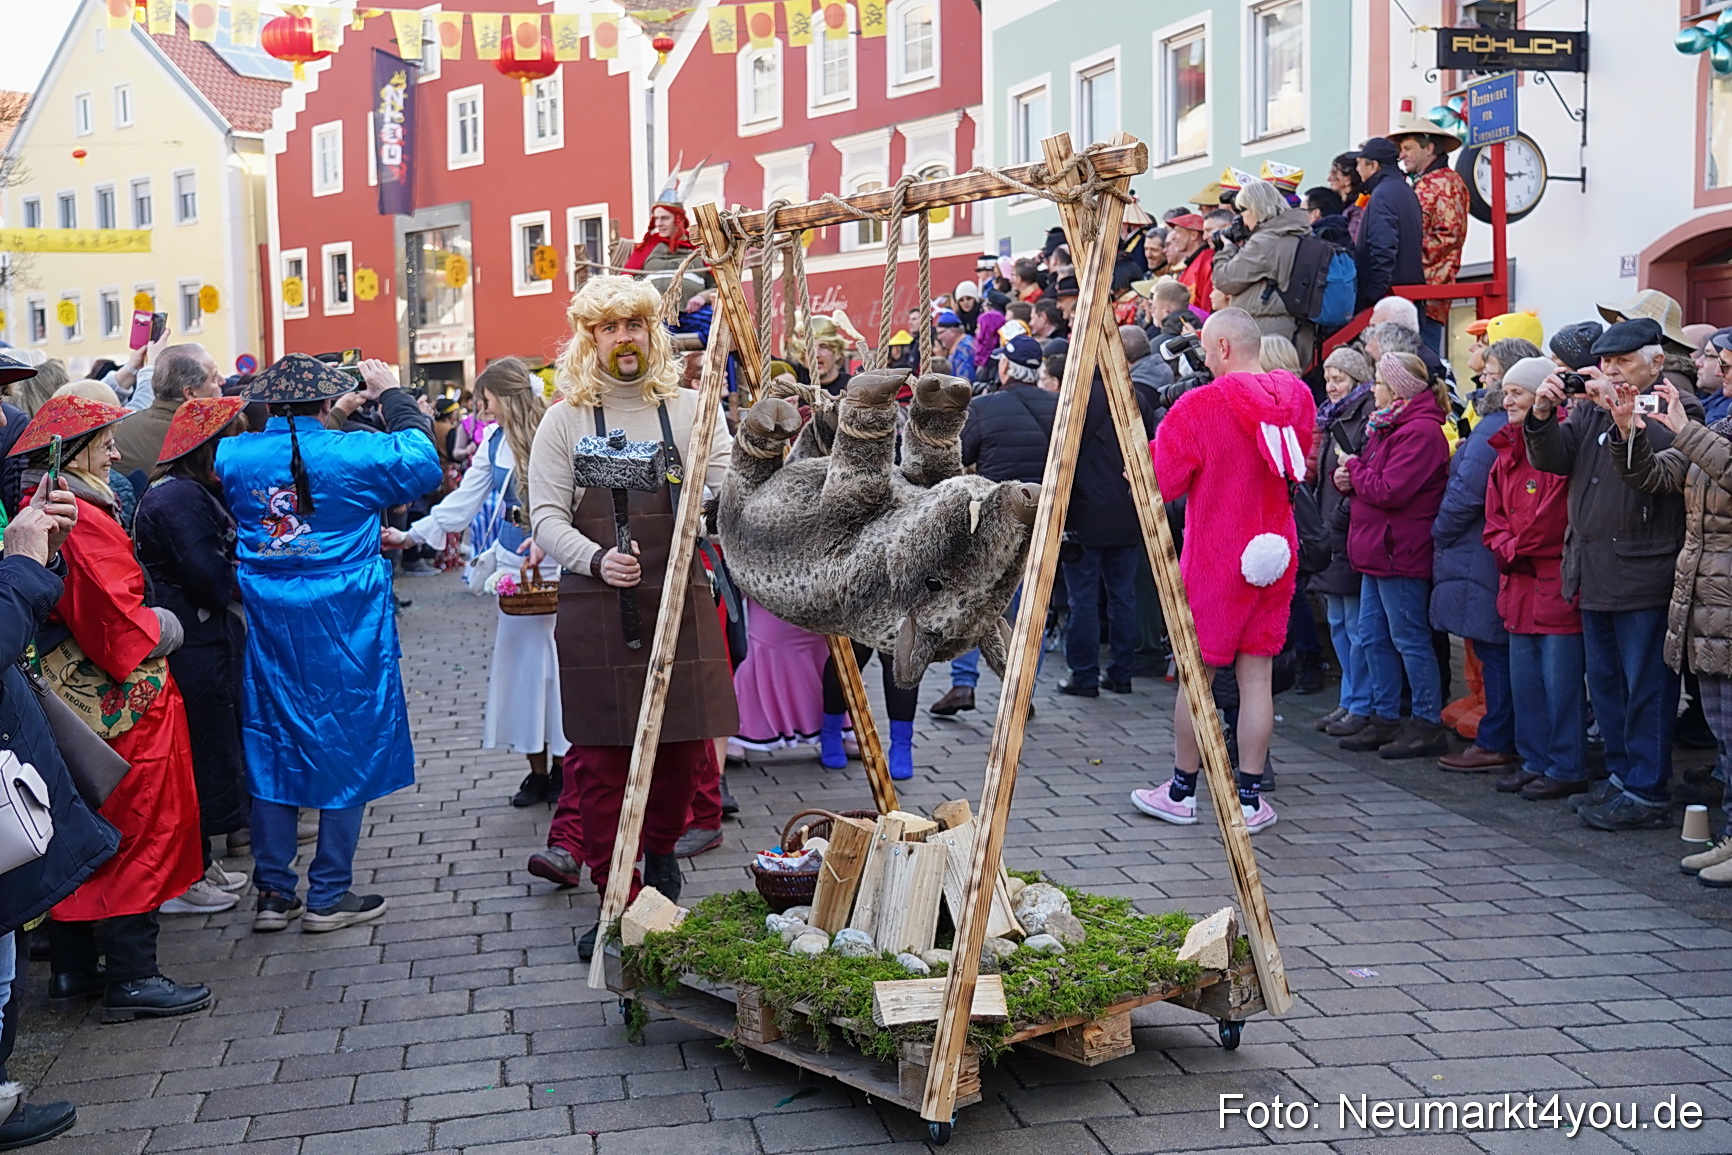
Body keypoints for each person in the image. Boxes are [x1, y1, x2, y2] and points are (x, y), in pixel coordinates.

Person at [528, 276, 737, 960]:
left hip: (681, 597)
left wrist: (714, 499)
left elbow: (729, 486)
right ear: (590, 338)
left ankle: (663, 867)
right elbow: (547, 517)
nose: (624, 338)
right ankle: (613, 893)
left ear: (654, 334)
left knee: (682, 747)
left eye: (636, 325)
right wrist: (594, 558)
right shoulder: (563, 419)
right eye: (610, 327)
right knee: (599, 760)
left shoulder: (690, 409)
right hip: (596, 604)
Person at [217, 354, 442, 932]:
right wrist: (391, 394)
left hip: (271, 615)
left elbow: (293, 459)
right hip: (346, 616)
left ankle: (273, 893)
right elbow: (421, 463)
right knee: (349, 740)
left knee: (271, 739)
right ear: (324, 404)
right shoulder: (351, 454)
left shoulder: (234, 456)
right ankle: (328, 892)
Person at [9, 396, 210, 1020]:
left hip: (73, 699)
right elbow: (118, 627)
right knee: (137, 829)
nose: (118, 453)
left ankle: (74, 970)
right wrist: (169, 626)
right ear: (73, 455)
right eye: (104, 443)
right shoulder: (81, 518)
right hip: (121, 708)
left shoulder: (45, 511)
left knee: (85, 825)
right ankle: (132, 976)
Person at [1135, 308, 1313, 831]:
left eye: (1210, 350)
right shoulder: (1298, 398)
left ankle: (1183, 790)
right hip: (1276, 548)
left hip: (1218, 553)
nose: (1207, 360)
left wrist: (1145, 454)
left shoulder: (1200, 405)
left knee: (1198, 676)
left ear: (1225, 348)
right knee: (1256, 676)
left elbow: (1161, 484)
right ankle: (1250, 798)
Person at [1525, 318, 1702, 830]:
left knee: (1646, 686)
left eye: (1623, 362)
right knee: (1606, 686)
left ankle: (1647, 789)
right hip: (1594, 568)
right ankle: (1623, 779)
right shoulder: (1590, 409)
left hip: (1645, 572)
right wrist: (1541, 415)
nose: (1611, 372)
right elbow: (1556, 460)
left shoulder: (1676, 405)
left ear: (1656, 362)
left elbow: (1671, 466)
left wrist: (1625, 418)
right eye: (1605, 362)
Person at [382, 358, 570, 813]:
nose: (482, 410)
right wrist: (412, 535)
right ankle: (538, 770)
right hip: (514, 568)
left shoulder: (561, 430)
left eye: (486, 400)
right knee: (522, 674)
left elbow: (577, 499)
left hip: (561, 565)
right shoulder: (494, 442)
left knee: (561, 676)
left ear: (505, 397)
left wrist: (551, 536)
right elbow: (463, 502)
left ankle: (568, 766)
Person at [131, 397, 254, 901]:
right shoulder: (180, 499)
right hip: (194, 643)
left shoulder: (178, 492)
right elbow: (206, 575)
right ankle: (191, 873)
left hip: (196, 638)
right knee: (201, 755)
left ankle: (200, 866)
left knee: (205, 751)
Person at [930, 334, 1055, 717]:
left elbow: (956, 458)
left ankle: (963, 684)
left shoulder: (985, 408)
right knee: (1031, 611)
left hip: (996, 525)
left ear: (1005, 367)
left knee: (974, 602)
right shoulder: (1058, 407)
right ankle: (1021, 691)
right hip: (1045, 522)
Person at [1335, 353, 1451, 758]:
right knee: (1374, 636)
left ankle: (1426, 722)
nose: (1373, 390)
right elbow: (1372, 479)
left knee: (1408, 639)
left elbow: (1389, 490)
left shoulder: (1419, 432)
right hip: (1379, 549)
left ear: (1398, 388)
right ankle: (1384, 717)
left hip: (1398, 550)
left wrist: (1354, 468)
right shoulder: (1388, 426)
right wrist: (1348, 477)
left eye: (1379, 383)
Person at [1483, 357, 1588, 800]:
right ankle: (1534, 761)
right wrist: (1508, 545)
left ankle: (1565, 765)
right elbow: (1492, 518)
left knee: (1559, 686)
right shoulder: (1505, 452)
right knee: (1526, 683)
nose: (1508, 400)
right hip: (1518, 586)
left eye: (1517, 393)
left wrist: (1511, 547)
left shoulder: (1557, 445)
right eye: (1505, 392)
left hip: (1552, 584)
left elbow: (1550, 522)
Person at [1429, 338, 1532, 773]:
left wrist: (1439, 531)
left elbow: (1466, 492)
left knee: (1495, 651)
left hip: (1478, 551)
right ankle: (1500, 736)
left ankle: (1496, 740)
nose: (1484, 378)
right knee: (1496, 651)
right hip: (1484, 550)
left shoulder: (1492, 426)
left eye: (1491, 370)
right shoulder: (1494, 423)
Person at [1058, 354, 1154, 699]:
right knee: (1122, 597)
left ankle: (1083, 675)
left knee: (1082, 598)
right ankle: (1121, 672)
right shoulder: (1137, 398)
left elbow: (1062, 458)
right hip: (1127, 511)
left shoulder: (1077, 398)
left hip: (1084, 513)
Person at [1311, 347, 1379, 737]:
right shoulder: (1332, 415)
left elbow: (1356, 476)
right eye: (1329, 378)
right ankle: (1348, 699)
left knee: (1356, 625)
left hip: (1348, 530)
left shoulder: (1363, 417)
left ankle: (1360, 701)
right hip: (1331, 528)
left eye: (1339, 378)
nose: (1332, 386)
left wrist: (1337, 519)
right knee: (1338, 620)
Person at [1390, 114, 1468, 354]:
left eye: (1407, 148)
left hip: (1430, 290)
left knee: (1422, 361)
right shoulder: (1424, 182)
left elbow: (1449, 235)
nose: (1401, 155)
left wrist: (1406, 261)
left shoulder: (1448, 183)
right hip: (1413, 291)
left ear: (1429, 148)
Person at [1210, 178, 1313, 353]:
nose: (1242, 218)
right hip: (1296, 331)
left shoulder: (1264, 242)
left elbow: (1223, 279)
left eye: (1243, 211)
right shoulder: (1300, 232)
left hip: (1267, 335)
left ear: (1255, 209)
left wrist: (1227, 248)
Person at [112, 344, 224, 479]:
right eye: (213, 378)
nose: (222, 381)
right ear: (190, 392)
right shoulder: (197, 441)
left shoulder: (123, 425)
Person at [1352, 138, 1425, 312]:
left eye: (1359, 163)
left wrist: (1373, 294)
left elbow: (1383, 247)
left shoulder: (1383, 195)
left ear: (1373, 165)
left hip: (1390, 299)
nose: (1356, 169)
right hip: (1407, 294)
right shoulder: (1405, 191)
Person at [1166, 213, 1214, 310]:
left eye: (1178, 231)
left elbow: (1207, 307)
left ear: (1193, 235)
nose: (1174, 237)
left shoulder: (1208, 261)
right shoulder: (1192, 263)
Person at [935, 311, 975, 379]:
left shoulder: (965, 347)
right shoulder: (959, 346)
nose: (939, 337)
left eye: (941, 332)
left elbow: (964, 381)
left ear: (953, 332)